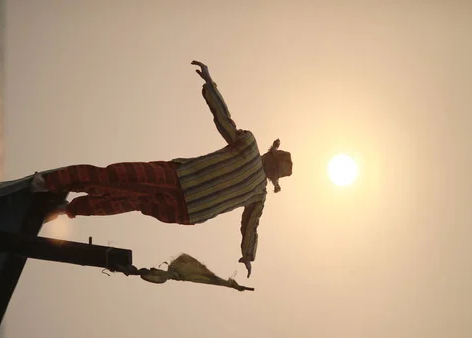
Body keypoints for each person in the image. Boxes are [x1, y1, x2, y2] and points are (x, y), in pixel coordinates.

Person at [31, 60, 293, 278]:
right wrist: (210, 85)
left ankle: (51, 184)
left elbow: (251, 226)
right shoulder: (257, 182)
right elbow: (251, 225)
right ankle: (66, 207)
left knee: (119, 181)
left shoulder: (252, 160)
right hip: (187, 211)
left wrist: (248, 255)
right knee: (128, 199)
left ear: (271, 156)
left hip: (180, 185)